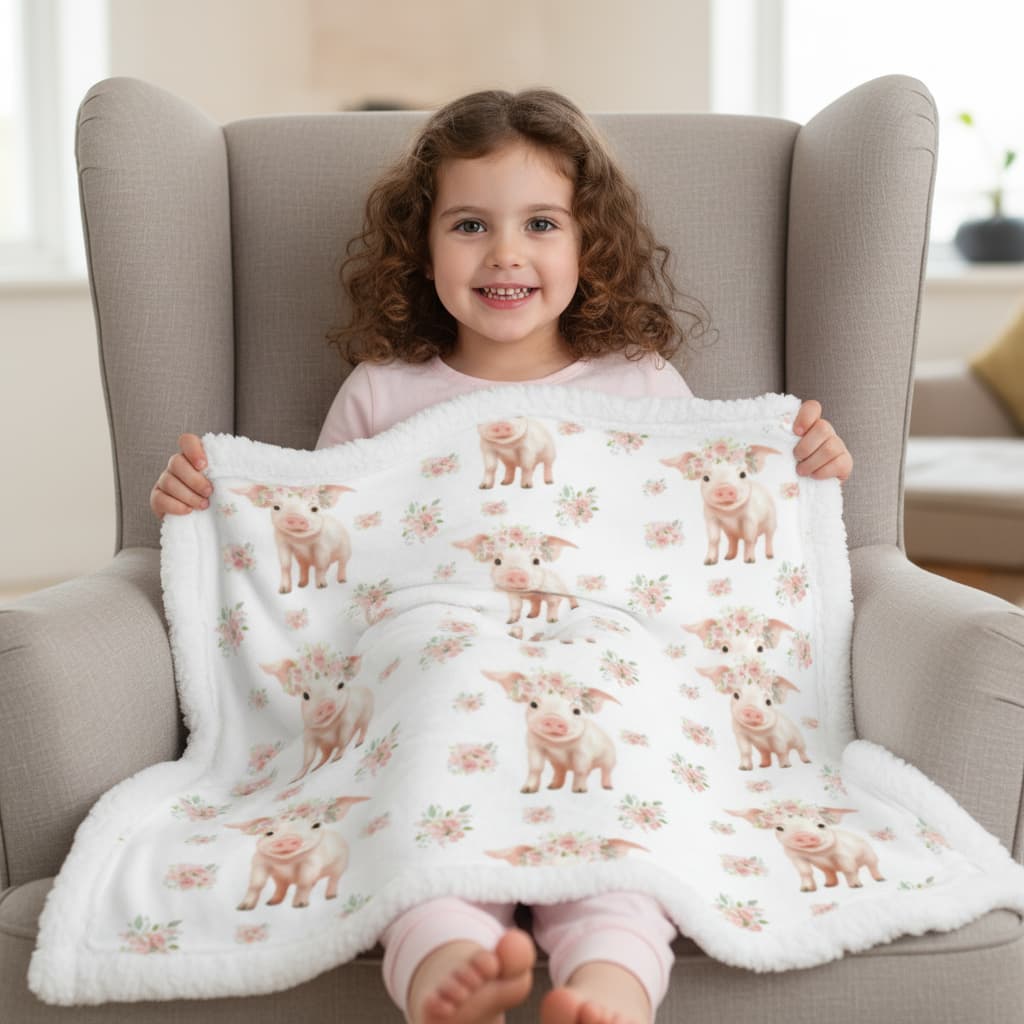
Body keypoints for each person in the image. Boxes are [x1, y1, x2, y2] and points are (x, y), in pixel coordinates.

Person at [150, 88, 852, 1024]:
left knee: (621, 808)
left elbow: (691, 536)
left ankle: (606, 988)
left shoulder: (639, 382)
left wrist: (802, 471)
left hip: (601, 652)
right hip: (438, 656)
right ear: (423, 247)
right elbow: (319, 551)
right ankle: (449, 960)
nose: (506, 253)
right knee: (420, 788)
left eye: (542, 223)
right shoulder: (382, 391)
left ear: (586, 245)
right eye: (471, 224)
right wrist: (211, 506)